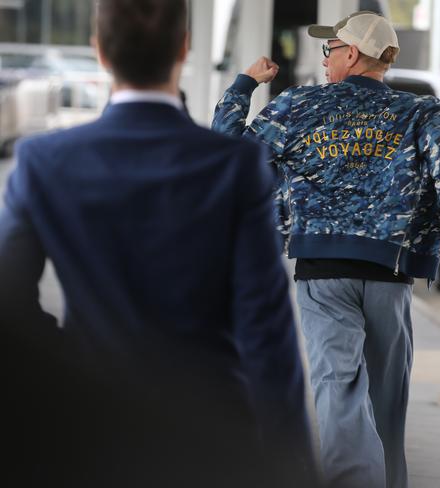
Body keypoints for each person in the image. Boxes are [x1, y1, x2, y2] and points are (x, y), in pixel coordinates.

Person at [0, 0, 317, 485]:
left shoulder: (43, 162)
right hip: (212, 433)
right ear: (184, 48)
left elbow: (9, 304)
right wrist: (290, 459)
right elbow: (266, 327)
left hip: (88, 431)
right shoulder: (234, 166)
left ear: (99, 52)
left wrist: (71, 360)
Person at [212, 11, 440, 488]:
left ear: (352, 54)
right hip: (390, 274)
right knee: (387, 401)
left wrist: (244, 84)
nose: (326, 59)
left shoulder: (298, 105)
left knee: (339, 389)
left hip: (323, 273)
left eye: (330, 50)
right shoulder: (420, 111)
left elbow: (228, 156)